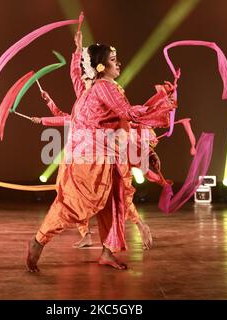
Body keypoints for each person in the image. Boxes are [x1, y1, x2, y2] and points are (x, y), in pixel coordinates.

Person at [26, 30, 175, 272]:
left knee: (114, 202)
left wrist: (77, 51)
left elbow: (77, 76)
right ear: (100, 67)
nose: (119, 64)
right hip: (91, 159)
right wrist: (161, 102)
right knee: (75, 206)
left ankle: (107, 252)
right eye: (114, 60)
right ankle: (38, 241)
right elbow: (129, 113)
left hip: (105, 156)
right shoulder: (105, 87)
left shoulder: (92, 88)